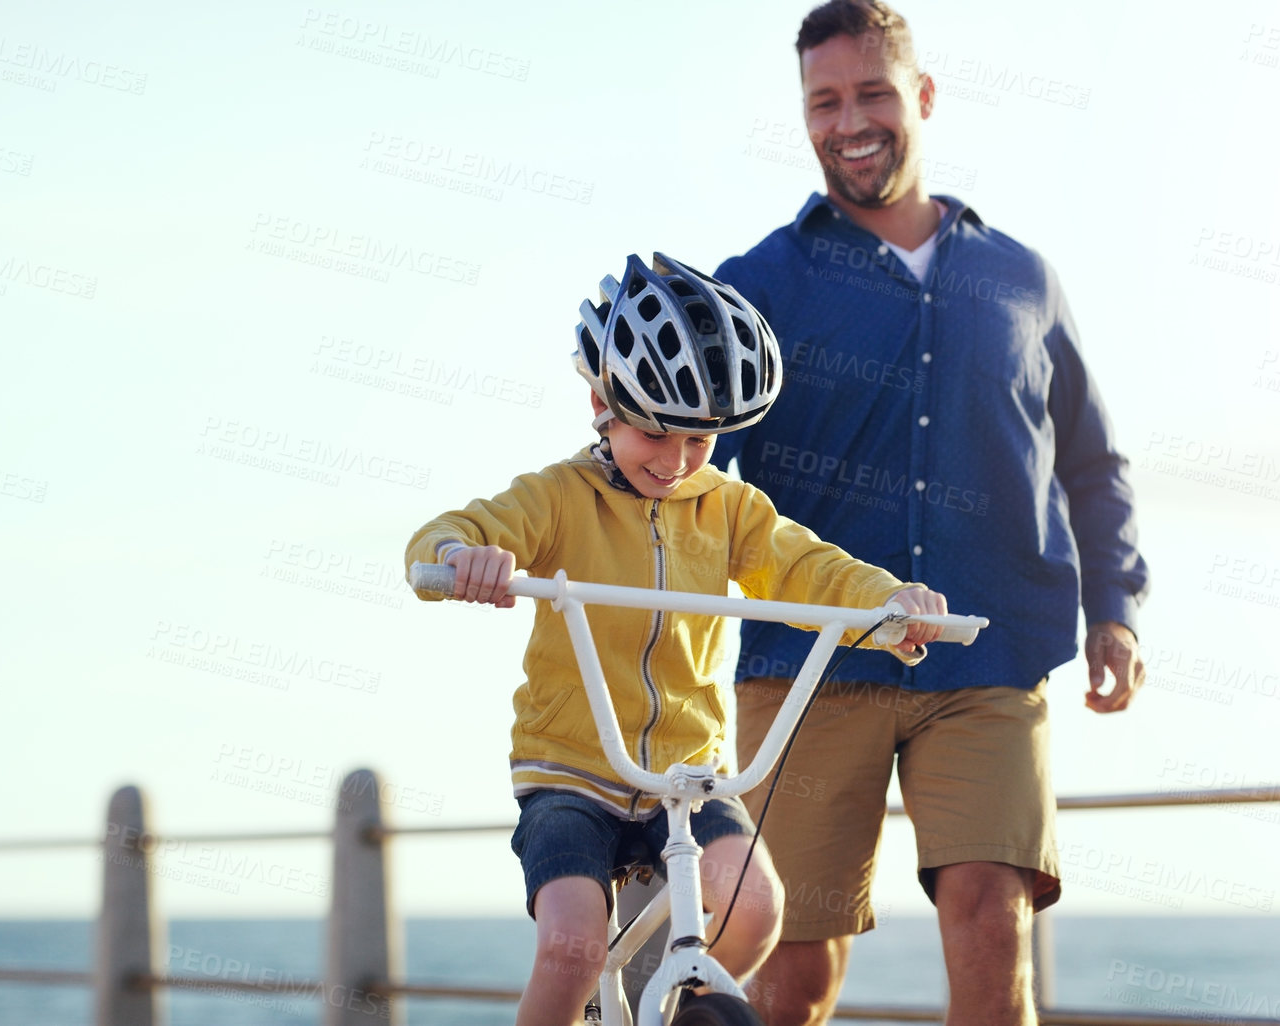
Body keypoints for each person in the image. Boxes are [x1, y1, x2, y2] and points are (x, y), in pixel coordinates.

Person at [707, 3, 1151, 1025]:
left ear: (924, 98)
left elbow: (1090, 460)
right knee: (793, 975)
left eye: (872, 93)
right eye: (825, 102)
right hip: (809, 659)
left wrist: (1114, 608)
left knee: (992, 931)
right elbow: (684, 474)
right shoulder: (757, 285)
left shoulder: (1023, 280)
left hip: (984, 659)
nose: (849, 121)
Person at [403, 252, 952, 1026]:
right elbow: (449, 532)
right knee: (570, 949)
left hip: (690, 778)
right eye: (656, 435)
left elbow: (807, 569)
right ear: (599, 401)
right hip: (573, 773)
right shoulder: (560, 498)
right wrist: (462, 558)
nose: (677, 462)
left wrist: (887, 602)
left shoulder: (727, 507)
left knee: (757, 907)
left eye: (700, 442)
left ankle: (681, 1006)